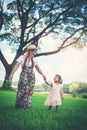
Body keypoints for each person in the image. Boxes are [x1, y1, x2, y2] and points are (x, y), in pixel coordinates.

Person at [9, 44, 46, 110]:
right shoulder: (21, 57)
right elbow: (16, 66)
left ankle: (27, 106)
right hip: (24, 76)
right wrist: (12, 74)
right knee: (22, 89)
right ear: (29, 51)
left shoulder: (34, 60)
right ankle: (19, 105)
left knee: (29, 91)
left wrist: (43, 74)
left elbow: (38, 68)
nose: (34, 52)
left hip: (31, 77)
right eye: (33, 51)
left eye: (35, 51)